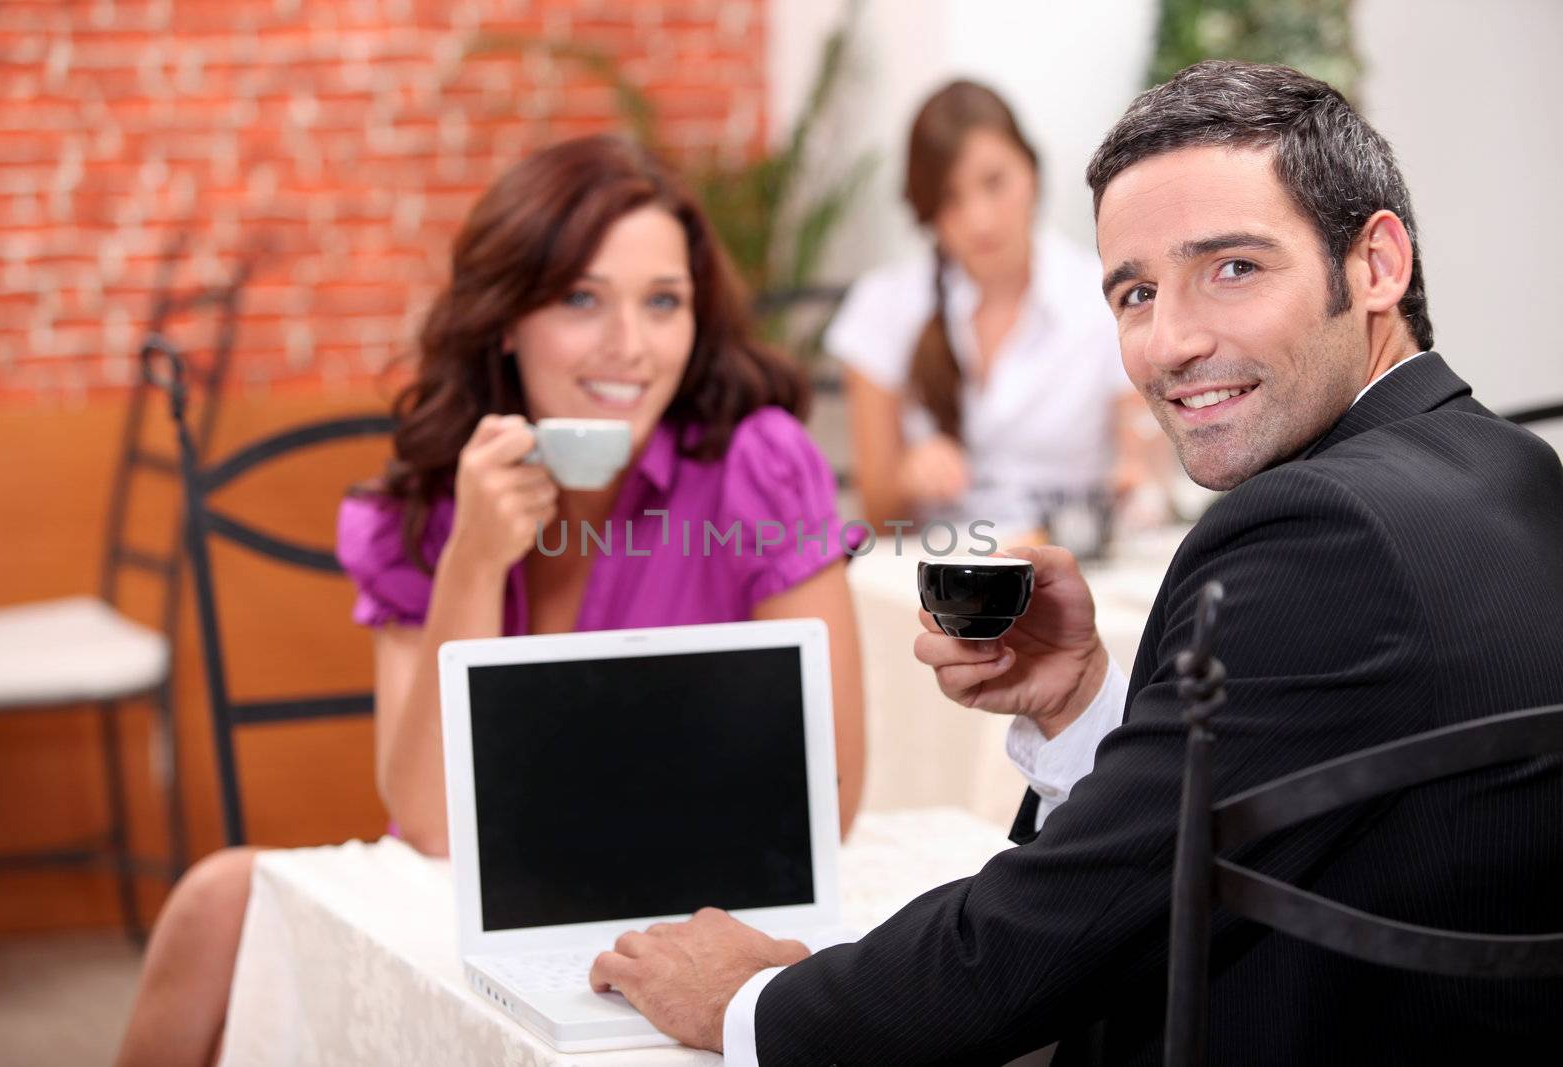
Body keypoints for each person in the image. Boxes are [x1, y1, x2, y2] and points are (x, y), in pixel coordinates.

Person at [588, 61, 1563, 1064]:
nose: (1169, 342)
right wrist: (1082, 703)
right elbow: (1219, 832)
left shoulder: (1325, 527)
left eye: (1232, 267)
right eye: (1135, 292)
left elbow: (1045, 938)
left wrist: (754, 999)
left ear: (1374, 264)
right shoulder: (1514, 467)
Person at [116, 133, 868, 1067]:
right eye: (581, 299)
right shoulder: (429, 502)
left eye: (663, 302)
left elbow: (827, 798)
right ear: (507, 318)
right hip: (467, 897)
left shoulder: (756, 465)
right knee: (215, 902)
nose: (629, 347)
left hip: (688, 902)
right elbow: (428, 822)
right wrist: (473, 559)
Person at [826, 79, 1164, 538]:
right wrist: (908, 474)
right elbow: (878, 515)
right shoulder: (884, 306)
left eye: (994, 182)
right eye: (950, 198)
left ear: (1032, 173)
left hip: (1071, 556)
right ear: (926, 210)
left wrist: (1136, 477)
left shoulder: (1106, 294)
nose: (978, 219)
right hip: (939, 573)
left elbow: (1140, 463)